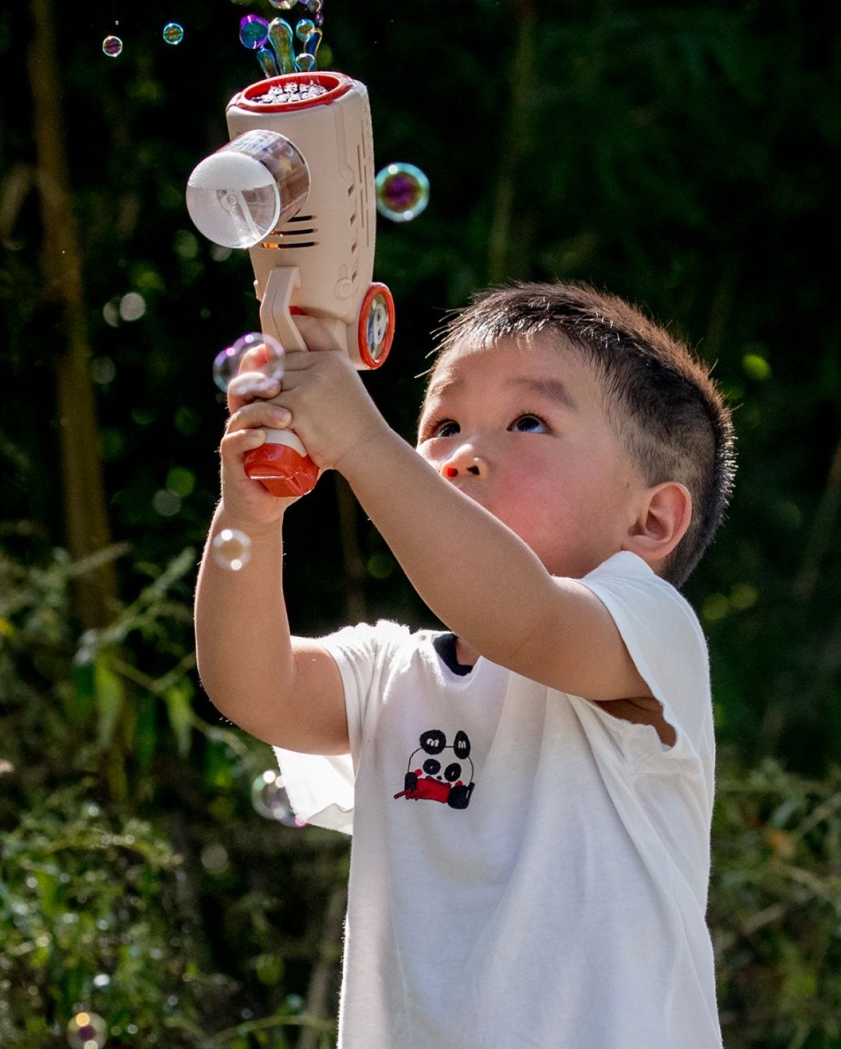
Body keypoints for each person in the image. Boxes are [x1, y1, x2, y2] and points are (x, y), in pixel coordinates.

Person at [194, 281, 736, 1048]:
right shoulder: (392, 670)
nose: (460, 456)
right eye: (442, 424)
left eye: (527, 421)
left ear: (650, 521)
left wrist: (361, 443)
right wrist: (248, 513)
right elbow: (254, 686)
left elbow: (523, 617)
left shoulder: (649, 634)